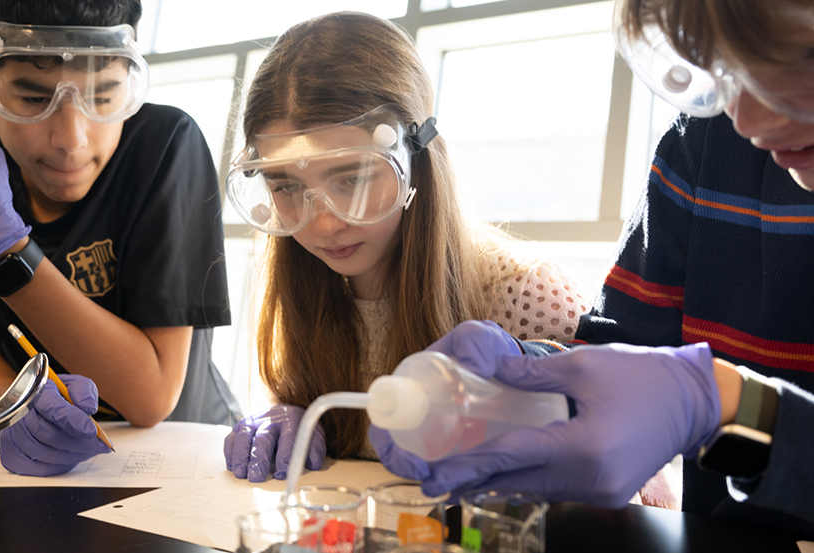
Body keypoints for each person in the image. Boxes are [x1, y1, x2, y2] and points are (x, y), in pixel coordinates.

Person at [374, 0, 814, 550]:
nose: (748, 121)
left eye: (807, 54)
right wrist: (513, 385)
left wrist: (744, 414)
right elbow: (630, 361)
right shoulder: (708, 146)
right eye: (722, 65)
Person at [212, 11, 681, 502]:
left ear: (416, 160)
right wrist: (294, 413)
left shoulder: (527, 295)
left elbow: (650, 491)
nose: (323, 224)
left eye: (353, 178)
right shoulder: (307, 292)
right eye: (286, 186)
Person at [0, 0, 239, 477]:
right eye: (34, 100)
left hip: (188, 462)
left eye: (104, 97)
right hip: (41, 471)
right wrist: (16, 407)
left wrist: (4, 253)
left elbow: (151, 395)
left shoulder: (164, 145)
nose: (71, 140)